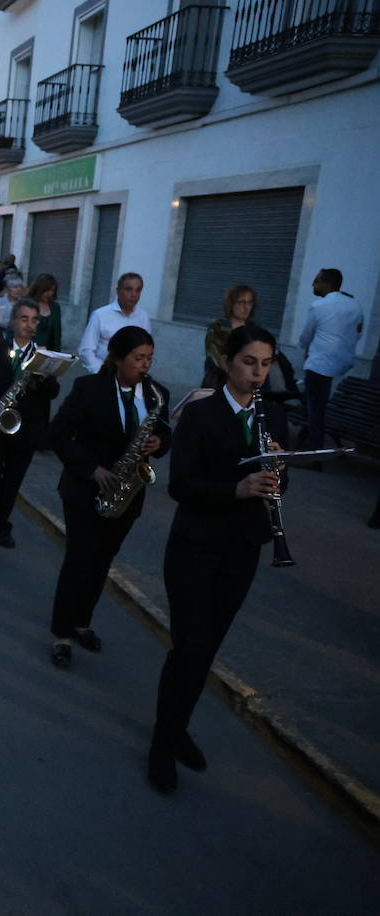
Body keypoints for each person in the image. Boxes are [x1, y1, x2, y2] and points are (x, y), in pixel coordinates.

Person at [148, 324, 288, 794]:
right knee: (189, 647)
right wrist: (237, 488)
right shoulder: (201, 413)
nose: (258, 373)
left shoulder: (273, 419)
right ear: (228, 362)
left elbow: (279, 487)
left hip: (241, 549)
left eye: (266, 365)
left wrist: (277, 474)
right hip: (194, 547)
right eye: (250, 362)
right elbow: (180, 486)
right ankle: (162, 745)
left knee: (206, 650)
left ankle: (177, 727)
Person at [47, 326, 171, 668]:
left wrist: (159, 443)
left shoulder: (157, 394)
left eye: (149, 358)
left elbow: (165, 433)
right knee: (78, 561)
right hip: (85, 489)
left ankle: (82, 621)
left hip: (127, 495)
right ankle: (61, 633)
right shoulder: (88, 388)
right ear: (117, 359)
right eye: (138, 359)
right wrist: (93, 470)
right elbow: (57, 434)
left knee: (102, 561)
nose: (145, 366)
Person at [0, 300, 60, 557]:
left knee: (12, 483)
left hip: (27, 429)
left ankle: (0, 526)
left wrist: (43, 374)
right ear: (14, 321)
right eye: (25, 319)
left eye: (34, 320)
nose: (30, 325)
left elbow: (53, 392)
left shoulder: (43, 357)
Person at [299, 268, 364, 451]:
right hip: (343, 363)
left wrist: (307, 349)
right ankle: (308, 437)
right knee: (315, 403)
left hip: (320, 365)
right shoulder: (355, 305)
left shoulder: (318, 306)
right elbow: (358, 334)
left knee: (316, 409)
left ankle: (315, 452)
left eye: (317, 281)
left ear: (327, 284)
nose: (313, 284)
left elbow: (306, 336)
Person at [77, 272, 152, 374]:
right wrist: (100, 371)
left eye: (138, 290)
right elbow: (86, 350)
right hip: (105, 374)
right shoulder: (100, 315)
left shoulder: (143, 317)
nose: (134, 295)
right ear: (118, 291)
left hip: (132, 377)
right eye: (129, 289)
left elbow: (146, 349)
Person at [28, 273, 63, 353]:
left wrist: (57, 355)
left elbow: (57, 335)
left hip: (49, 353)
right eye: (46, 290)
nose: (49, 294)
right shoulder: (27, 305)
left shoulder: (55, 308)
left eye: (52, 290)